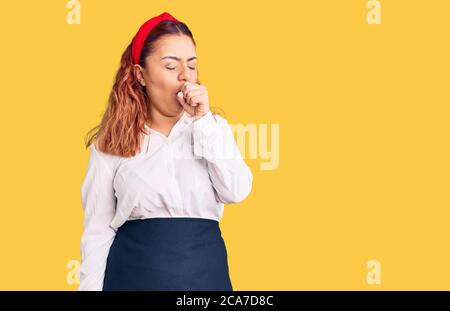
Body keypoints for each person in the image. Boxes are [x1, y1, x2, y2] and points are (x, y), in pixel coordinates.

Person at [78, 12, 253, 291]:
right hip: (132, 278)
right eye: (171, 66)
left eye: (192, 66)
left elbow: (237, 190)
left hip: (205, 280)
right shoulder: (111, 143)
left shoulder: (212, 129)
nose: (185, 77)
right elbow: (97, 233)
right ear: (140, 75)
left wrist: (203, 121)